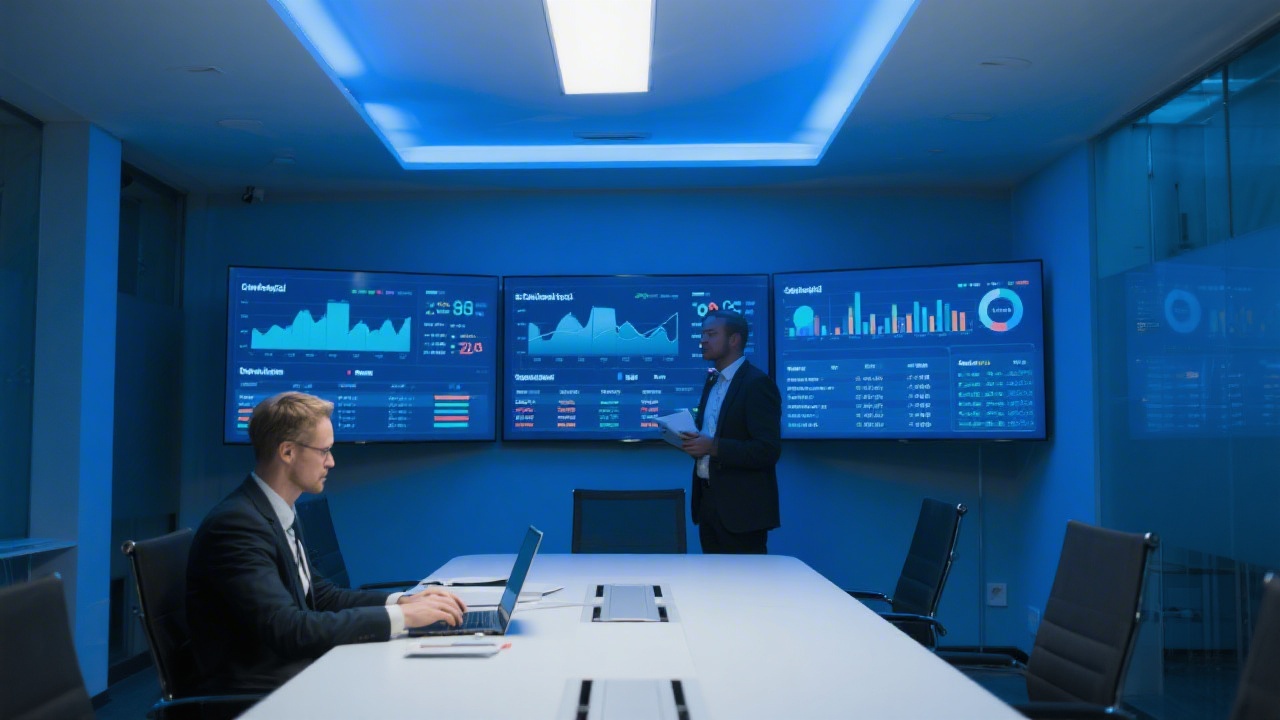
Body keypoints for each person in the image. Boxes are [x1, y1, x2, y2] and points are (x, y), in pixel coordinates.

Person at [187, 391, 466, 693]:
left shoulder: (276, 512)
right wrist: (403, 617)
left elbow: (321, 596)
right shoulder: (237, 526)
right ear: (287, 452)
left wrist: (402, 602)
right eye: (324, 451)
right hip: (262, 694)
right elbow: (288, 629)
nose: (331, 462)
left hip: (294, 674)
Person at [680, 310, 782, 554]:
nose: (703, 340)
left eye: (711, 334)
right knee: (711, 577)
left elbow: (767, 450)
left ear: (734, 339)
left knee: (745, 579)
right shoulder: (712, 382)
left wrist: (713, 447)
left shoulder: (757, 384)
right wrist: (695, 444)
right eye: (702, 334)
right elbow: (712, 434)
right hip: (708, 504)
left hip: (742, 513)